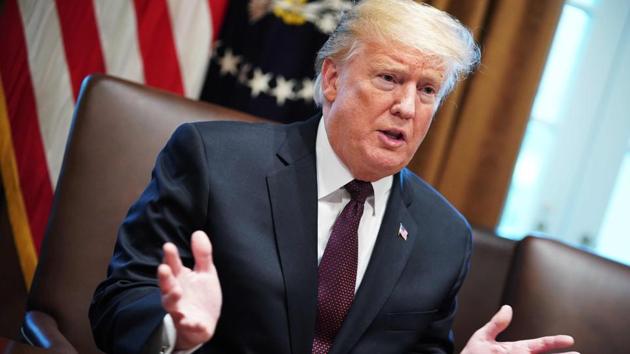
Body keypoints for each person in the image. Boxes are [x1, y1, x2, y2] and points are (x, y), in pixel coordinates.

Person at [90, 1, 577, 353]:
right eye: (389, 78)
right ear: (331, 80)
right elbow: (121, 298)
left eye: (428, 90)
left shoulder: (444, 237)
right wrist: (177, 334)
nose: (406, 107)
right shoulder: (212, 160)